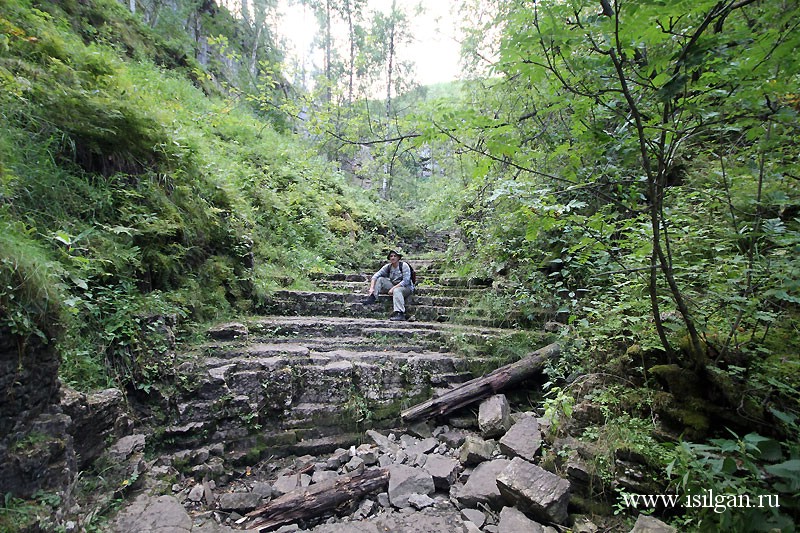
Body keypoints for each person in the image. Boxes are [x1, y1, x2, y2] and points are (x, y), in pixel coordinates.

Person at [364, 250, 414, 321]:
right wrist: (371, 288)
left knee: (397, 290)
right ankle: (373, 297)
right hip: (393, 285)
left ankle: (400, 313)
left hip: (406, 288)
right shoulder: (388, 267)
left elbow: (406, 281)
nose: (393, 258)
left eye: (395, 256)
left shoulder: (404, 266)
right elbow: (375, 276)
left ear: (398, 258)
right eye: (391, 256)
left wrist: (393, 288)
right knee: (380, 279)